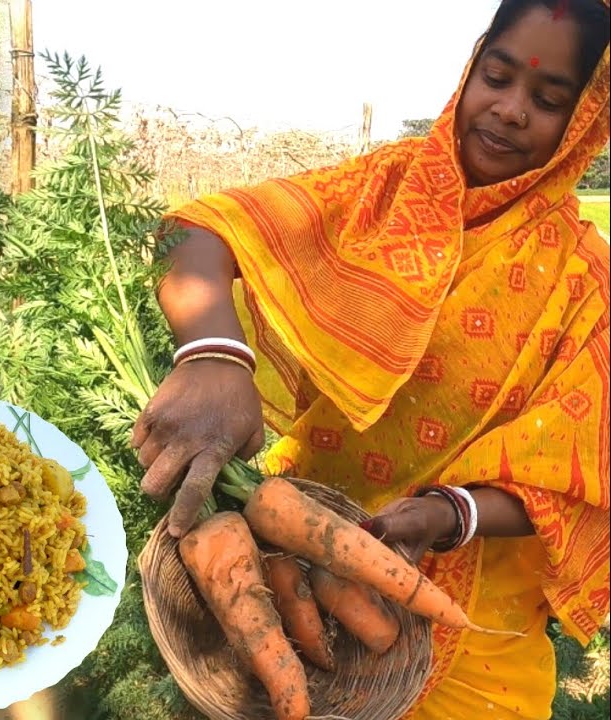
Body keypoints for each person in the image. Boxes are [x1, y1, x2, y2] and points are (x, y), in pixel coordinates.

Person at [134, 0, 609, 716]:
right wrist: (214, 357)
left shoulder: (585, 282)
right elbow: (200, 232)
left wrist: (448, 515)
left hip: (477, 619)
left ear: (585, 122)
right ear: (471, 69)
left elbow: (581, 469)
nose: (510, 109)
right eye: (497, 76)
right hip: (299, 553)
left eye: (547, 100)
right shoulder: (381, 192)